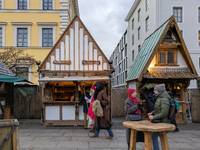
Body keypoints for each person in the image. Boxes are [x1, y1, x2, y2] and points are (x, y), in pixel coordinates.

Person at [148, 83, 170, 150]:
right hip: (159, 122)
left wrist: (153, 117)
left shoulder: (164, 100)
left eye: (155, 90)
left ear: (159, 91)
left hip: (163, 122)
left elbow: (164, 113)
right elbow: (158, 109)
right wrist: (151, 113)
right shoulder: (159, 98)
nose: (154, 91)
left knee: (155, 137)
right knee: (155, 136)